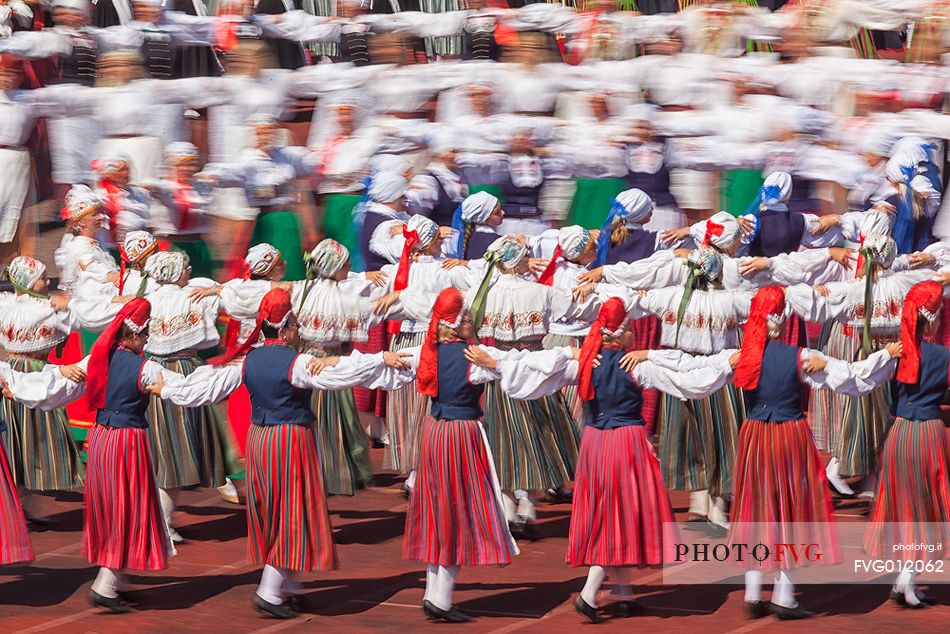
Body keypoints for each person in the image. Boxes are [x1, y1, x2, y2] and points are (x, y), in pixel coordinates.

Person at [469, 297, 739, 622]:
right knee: (621, 516)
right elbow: (688, 377)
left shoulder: (584, 362)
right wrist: (726, 363)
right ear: (622, 333)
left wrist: (495, 361)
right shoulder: (634, 365)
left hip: (595, 445)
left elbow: (531, 366)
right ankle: (588, 593)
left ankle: (624, 592)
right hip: (626, 444)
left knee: (609, 514)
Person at [150, 288, 411, 618]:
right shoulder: (296, 362)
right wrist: (379, 358)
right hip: (289, 440)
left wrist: (168, 388)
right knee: (291, 512)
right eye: (295, 325)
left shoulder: (248, 360)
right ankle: (270, 590)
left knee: (278, 510)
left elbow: (204, 386)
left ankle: (288, 583)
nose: (299, 330)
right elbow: (338, 374)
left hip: (260, 440)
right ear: (286, 326)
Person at [729, 285, 902, 620]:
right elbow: (851, 378)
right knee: (791, 510)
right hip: (789, 436)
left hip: (753, 437)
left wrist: (648, 356)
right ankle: (784, 596)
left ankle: (753, 593)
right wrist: (886, 355)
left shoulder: (740, 356)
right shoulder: (801, 357)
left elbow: (691, 374)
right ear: (780, 319)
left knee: (757, 507)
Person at [2, 299, 182, 613]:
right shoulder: (146, 367)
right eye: (146, 331)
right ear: (136, 334)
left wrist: (18, 390)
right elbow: (185, 388)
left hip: (100, 439)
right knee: (128, 508)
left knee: (112, 506)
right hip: (128, 441)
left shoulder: (96, 358)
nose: (149, 337)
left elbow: (55, 388)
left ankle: (118, 579)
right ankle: (106, 584)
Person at [373, 287, 518, 623]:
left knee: (439, 507)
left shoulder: (427, 351)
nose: (472, 322)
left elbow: (383, 366)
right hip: (462, 433)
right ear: (455, 325)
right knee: (459, 509)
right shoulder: (473, 356)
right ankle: (441, 598)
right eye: (467, 318)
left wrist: (380, 358)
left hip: (435, 432)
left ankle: (432, 591)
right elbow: (515, 365)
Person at [865, 280, 950, 609]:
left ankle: (905, 577)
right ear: (934, 318)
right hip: (928, 434)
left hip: (898, 434)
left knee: (901, 508)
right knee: (925, 510)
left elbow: (867, 380)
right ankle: (906, 582)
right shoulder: (942, 354)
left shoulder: (895, 351)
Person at [0, 257, 84, 519]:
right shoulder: (47, 309)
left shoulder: (6, 302)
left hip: (9, 372)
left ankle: (25, 507)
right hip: (34, 375)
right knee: (37, 438)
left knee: (18, 440)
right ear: (27, 282)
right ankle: (20, 506)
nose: (48, 281)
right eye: (43, 277)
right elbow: (87, 317)